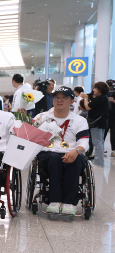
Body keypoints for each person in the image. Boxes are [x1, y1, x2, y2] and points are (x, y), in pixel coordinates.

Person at [34, 87, 90, 215]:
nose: (59, 100)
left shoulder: (79, 121)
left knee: (75, 161)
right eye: (56, 97)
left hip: (72, 151)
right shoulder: (41, 118)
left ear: (72, 101)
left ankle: (69, 202)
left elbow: (84, 142)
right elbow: (31, 137)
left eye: (64, 98)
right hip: (48, 152)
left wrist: (76, 152)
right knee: (54, 158)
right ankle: (54, 201)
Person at [79, 81, 109, 167]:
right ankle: (99, 160)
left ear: (100, 89)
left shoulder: (101, 98)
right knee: (100, 142)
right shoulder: (103, 97)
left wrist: (85, 99)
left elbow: (88, 107)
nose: (93, 89)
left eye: (95, 88)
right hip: (101, 122)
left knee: (97, 142)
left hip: (97, 123)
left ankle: (98, 162)